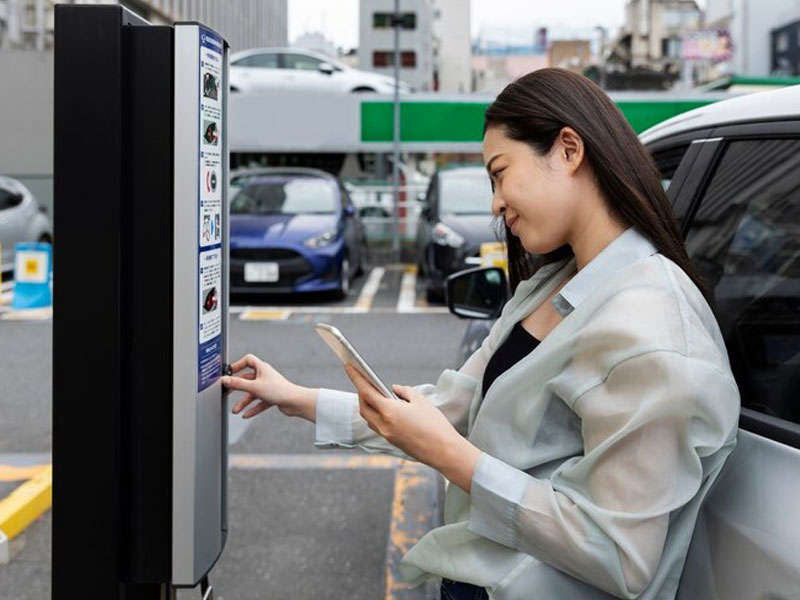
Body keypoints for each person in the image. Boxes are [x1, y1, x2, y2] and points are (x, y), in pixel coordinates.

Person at [221, 69, 740, 600]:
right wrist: (296, 397)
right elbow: (452, 407)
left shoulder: (653, 327)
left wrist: (452, 457)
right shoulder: (553, 285)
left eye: (499, 173)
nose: (494, 202)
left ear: (568, 150)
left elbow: (619, 554)